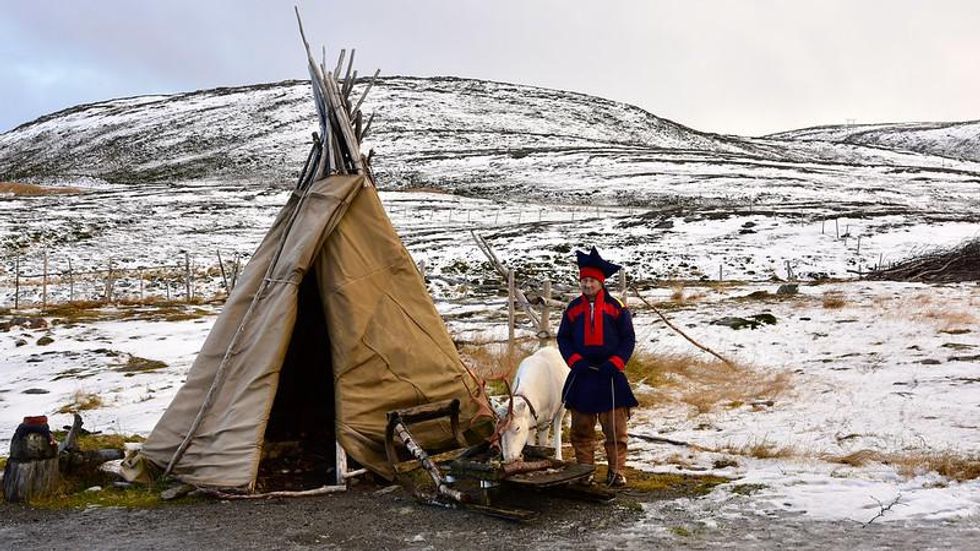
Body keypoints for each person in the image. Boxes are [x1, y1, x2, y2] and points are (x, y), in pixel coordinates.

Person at [557, 247, 638, 488]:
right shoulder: (572, 309)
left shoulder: (617, 308)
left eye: (592, 280)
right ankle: (585, 471)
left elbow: (628, 339)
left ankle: (616, 472)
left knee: (615, 429)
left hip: (610, 376)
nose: (587, 284)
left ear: (601, 282)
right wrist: (575, 361)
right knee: (581, 430)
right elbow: (564, 339)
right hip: (583, 376)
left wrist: (616, 362)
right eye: (584, 280)